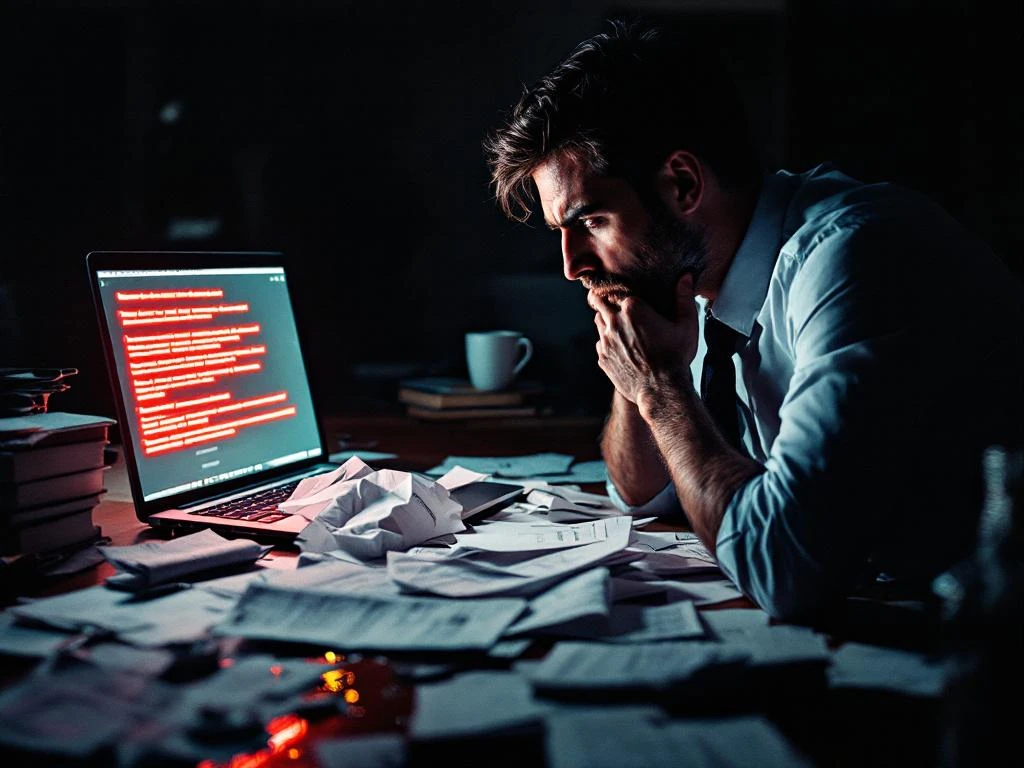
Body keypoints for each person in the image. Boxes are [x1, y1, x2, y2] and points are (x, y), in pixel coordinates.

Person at [483, 21, 1023, 621]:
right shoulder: (698, 276)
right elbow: (644, 492)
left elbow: (784, 570)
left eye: (588, 222)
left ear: (683, 184)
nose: (571, 266)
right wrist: (641, 378)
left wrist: (663, 391)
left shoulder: (854, 258)